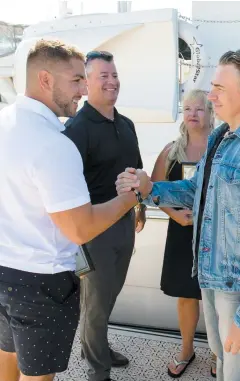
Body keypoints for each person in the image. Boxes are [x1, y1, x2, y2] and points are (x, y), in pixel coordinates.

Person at [115, 49, 240, 381]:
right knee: (227, 369)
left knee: (239, 375)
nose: (211, 95)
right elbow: (195, 191)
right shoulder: (221, 137)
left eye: (219, 88)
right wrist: (151, 187)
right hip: (210, 278)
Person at [0, 40, 149, 381]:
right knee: (38, 376)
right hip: (43, 279)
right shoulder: (57, 141)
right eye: (77, 80)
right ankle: (98, 368)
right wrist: (134, 196)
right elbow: (80, 229)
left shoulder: (6, 121)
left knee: (7, 359)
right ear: (45, 79)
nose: (83, 89)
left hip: (6, 271)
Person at [63, 50, 146, 381]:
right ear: (86, 83)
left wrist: (137, 206)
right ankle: (98, 370)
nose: (112, 82)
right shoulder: (76, 129)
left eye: (114, 75)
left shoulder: (126, 125)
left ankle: (94, 346)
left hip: (124, 224)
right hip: (93, 231)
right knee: (95, 305)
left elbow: (135, 171)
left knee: (109, 295)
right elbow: (64, 187)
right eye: (103, 76)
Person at [150, 89, 217, 378]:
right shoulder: (171, 151)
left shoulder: (222, 146)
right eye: (188, 108)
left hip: (216, 233)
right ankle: (187, 350)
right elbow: (153, 189)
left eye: (199, 109)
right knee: (186, 297)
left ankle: (218, 353)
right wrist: (175, 215)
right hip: (181, 231)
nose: (193, 113)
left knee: (216, 297)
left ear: (210, 112)